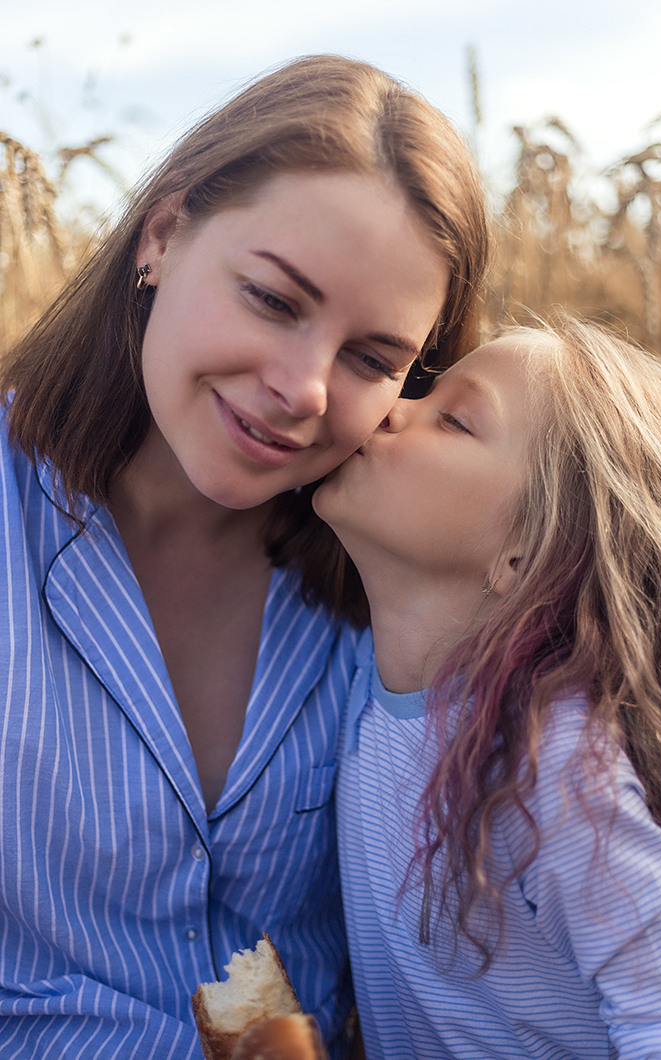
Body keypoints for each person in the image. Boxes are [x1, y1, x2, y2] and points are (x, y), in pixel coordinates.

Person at [0, 54, 488, 1058]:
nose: (304, 389)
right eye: (272, 299)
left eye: (371, 359)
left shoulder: (400, 577)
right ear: (163, 237)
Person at [314, 314, 661, 1059]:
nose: (391, 407)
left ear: (526, 553)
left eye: (454, 420)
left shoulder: (552, 761)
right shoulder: (353, 679)